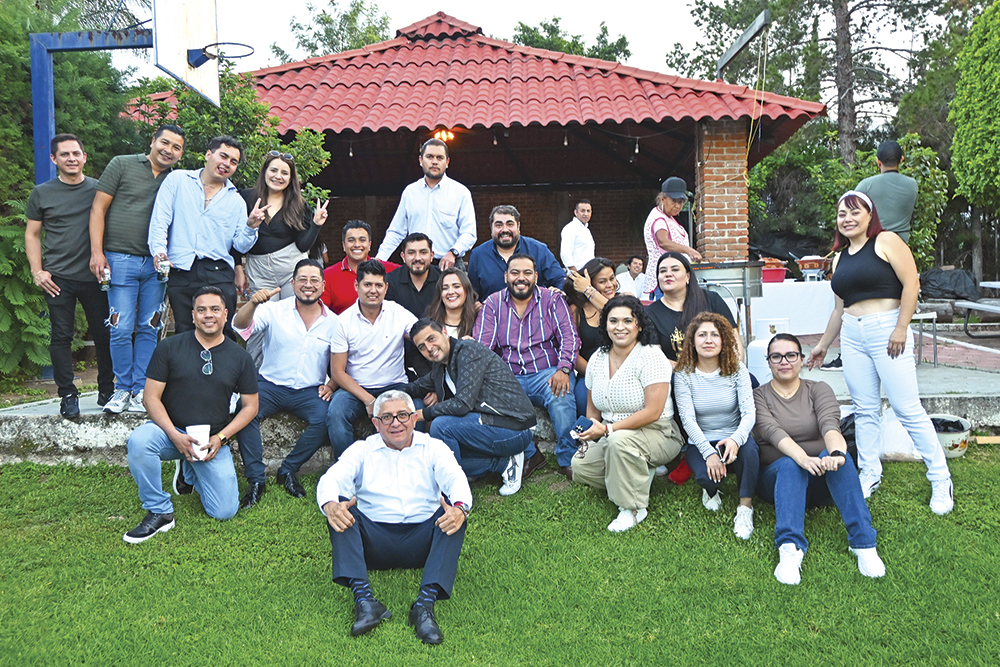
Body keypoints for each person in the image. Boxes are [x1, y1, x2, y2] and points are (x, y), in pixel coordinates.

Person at [806, 190, 953, 514]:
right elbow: (839, 309)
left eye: (854, 212)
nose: (847, 219)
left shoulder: (886, 241)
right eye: (842, 214)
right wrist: (823, 345)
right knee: (865, 409)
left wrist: (901, 327)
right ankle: (870, 473)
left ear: (870, 215)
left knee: (906, 407)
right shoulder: (839, 258)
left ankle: (940, 478)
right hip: (853, 334)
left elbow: (911, 284)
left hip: (887, 328)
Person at [318, 391, 470, 644]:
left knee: (454, 515)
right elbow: (332, 478)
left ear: (414, 419)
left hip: (423, 543)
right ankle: (365, 602)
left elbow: (456, 480)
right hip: (373, 543)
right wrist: (330, 504)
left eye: (402, 415)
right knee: (340, 510)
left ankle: (424, 606)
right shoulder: (362, 450)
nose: (396, 423)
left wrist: (460, 508)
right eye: (387, 417)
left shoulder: (434, 448)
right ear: (376, 423)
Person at [122, 287, 258, 543]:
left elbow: (251, 406)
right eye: (202, 310)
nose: (209, 315)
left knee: (224, 511)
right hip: (169, 432)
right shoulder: (169, 347)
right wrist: (174, 436)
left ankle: (189, 470)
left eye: (215, 309)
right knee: (140, 441)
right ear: (193, 315)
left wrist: (222, 438)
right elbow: (150, 398)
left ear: (225, 314)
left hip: (210, 439)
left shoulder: (240, 357)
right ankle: (159, 511)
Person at [755, 333, 884, 585]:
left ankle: (863, 543)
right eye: (776, 356)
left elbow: (830, 426)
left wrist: (836, 454)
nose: (784, 361)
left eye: (791, 355)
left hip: (821, 478)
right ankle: (790, 547)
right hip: (778, 482)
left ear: (802, 359)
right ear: (768, 362)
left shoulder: (818, 389)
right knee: (790, 463)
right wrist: (803, 459)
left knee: (839, 456)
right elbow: (772, 432)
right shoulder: (758, 396)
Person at [89, 124, 186, 415]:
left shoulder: (177, 180)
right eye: (165, 143)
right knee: (120, 326)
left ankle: (142, 390)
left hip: (157, 264)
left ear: (181, 154)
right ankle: (122, 389)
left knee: (149, 326)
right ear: (153, 141)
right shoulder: (122, 164)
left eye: (176, 147)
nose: (169, 150)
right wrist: (97, 252)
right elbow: (98, 208)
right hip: (120, 259)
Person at [571, 295, 684, 532]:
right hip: (613, 433)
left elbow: (653, 412)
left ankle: (632, 508)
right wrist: (590, 432)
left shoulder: (651, 356)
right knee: (580, 465)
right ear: (605, 325)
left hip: (658, 432)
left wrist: (608, 430)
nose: (619, 327)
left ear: (638, 325)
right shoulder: (597, 359)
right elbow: (593, 408)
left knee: (618, 442)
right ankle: (637, 472)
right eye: (613, 321)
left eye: (627, 321)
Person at [232, 259, 339, 508]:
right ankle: (256, 479)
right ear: (292, 283)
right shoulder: (274, 310)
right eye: (302, 279)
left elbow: (343, 361)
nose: (308, 285)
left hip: (309, 391)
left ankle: (288, 470)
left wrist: (332, 384)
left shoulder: (335, 322)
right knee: (245, 411)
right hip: (270, 386)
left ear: (323, 285)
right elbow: (239, 326)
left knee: (326, 418)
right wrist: (253, 303)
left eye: (314, 280)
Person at [25, 133, 114, 419]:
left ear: (84, 157)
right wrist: (37, 271)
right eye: (64, 154)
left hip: (95, 276)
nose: (71, 158)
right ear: (54, 159)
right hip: (58, 278)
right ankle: (67, 394)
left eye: (76, 153)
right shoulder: (42, 193)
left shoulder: (100, 190)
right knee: (61, 336)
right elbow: (32, 234)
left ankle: (107, 390)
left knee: (105, 335)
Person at [474, 254, 581, 479]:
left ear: (536, 276)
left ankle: (568, 457)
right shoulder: (492, 303)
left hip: (547, 373)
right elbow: (483, 347)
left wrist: (564, 369)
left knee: (562, 399)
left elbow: (569, 336)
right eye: (515, 273)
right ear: (506, 276)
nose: (521, 278)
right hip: (508, 376)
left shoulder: (552, 300)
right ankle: (531, 454)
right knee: (487, 403)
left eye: (527, 273)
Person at [403, 319, 536, 496]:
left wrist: (421, 414)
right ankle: (504, 463)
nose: (429, 347)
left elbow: (462, 404)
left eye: (431, 338)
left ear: (444, 332)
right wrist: (382, 397)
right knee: (434, 455)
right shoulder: (440, 366)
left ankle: (455, 492)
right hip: (487, 425)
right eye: (422, 347)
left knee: (441, 426)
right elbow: (418, 386)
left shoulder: (468, 351)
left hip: (514, 428)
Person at [148, 135, 262, 336]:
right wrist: (158, 252)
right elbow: (160, 221)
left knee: (223, 333)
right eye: (223, 156)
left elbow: (241, 246)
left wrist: (251, 227)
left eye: (233, 162)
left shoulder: (236, 201)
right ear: (209, 154)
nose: (227, 164)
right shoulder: (178, 180)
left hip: (218, 272)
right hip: (181, 269)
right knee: (185, 332)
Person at [673, 312, 759, 540]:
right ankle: (711, 489)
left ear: (724, 340)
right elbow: (688, 420)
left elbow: (749, 413)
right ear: (692, 341)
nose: (708, 340)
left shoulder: (737, 369)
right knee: (705, 477)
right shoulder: (683, 374)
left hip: (733, 437)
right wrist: (709, 453)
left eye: (715, 335)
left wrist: (736, 440)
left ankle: (745, 507)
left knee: (751, 453)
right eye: (702, 335)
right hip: (702, 440)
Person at [326, 260, 421, 457]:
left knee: (417, 409)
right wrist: (370, 401)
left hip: (395, 385)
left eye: (378, 285)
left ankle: (410, 463)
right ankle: (349, 467)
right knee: (336, 413)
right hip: (356, 389)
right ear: (357, 286)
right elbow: (337, 371)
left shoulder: (397, 312)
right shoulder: (343, 321)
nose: (373, 290)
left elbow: (421, 333)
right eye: (367, 284)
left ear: (386, 288)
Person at [234, 150, 330, 300]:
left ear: (290, 178)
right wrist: (238, 267)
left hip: (291, 267)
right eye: (273, 170)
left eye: (285, 173)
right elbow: (234, 236)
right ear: (265, 172)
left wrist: (316, 224)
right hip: (260, 270)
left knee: (293, 312)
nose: (278, 176)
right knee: (264, 312)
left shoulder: (298, 204)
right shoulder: (245, 198)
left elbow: (303, 245)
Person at [376, 139, 476, 270]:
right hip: (416, 265)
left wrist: (453, 252)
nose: (434, 161)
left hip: (449, 265)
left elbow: (469, 233)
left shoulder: (461, 193)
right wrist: (379, 260)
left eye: (440, 158)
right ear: (420, 160)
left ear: (447, 162)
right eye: (429, 157)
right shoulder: (410, 192)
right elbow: (396, 231)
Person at [645, 252, 742, 364]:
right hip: (674, 373)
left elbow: (734, 343)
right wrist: (693, 372)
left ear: (688, 276)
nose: (668, 274)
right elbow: (656, 359)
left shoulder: (711, 300)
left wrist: (732, 368)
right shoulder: (650, 313)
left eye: (675, 269)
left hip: (718, 371)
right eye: (662, 271)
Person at [466, 204, 564, 299]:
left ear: (518, 226)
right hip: (493, 310)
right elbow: (473, 292)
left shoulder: (539, 250)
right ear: (491, 228)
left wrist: (558, 293)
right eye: (499, 225)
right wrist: (476, 303)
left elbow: (560, 280)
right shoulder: (478, 255)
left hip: (535, 309)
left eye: (510, 224)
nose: (505, 230)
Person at [564, 257, 619, 416]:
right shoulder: (576, 310)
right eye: (602, 281)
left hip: (622, 371)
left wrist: (588, 290)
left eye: (612, 278)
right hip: (590, 372)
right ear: (591, 283)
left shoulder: (624, 301)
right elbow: (572, 350)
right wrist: (593, 374)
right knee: (582, 399)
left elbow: (617, 314)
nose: (610, 285)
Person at [386, 233, 441, 379]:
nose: (418, 258)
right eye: (411, 253)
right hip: (401, 349)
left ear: (432, 255)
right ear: (403, 257)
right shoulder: (390, 282)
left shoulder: (444, 280)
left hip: (437, 347)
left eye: (423, 252)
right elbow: (387, 320)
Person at [321, 220, 398, 315]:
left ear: (369, 245)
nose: (357, 245)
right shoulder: (328, 275)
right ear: (344, 245)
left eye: (362, 240)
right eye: (351, 240)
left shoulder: (388, 269)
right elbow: (322, 313)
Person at [642, 178, 702, 298]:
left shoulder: (668, 217)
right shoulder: (659, 218)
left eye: (681, 202)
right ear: (663, 199)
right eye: (674, 201)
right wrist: (689, 250)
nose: (677, 206)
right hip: (664, 279)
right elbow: (663, 242)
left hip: (673, 278)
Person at [856, 140, 918, 244]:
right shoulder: (912, 184)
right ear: (901, 160)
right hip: (901, 244)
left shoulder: (865, 185)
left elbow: (853, 213)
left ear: (878, 161)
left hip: (874, 244)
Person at [424, 267, 479, 339]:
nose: (450, 292)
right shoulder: (429, 318)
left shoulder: (479, 319)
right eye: (445, 288)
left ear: (467, 290)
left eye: (456, 286)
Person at [560, 199, 595, 271]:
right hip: (578, 273)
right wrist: (576, 273)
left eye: (588, 211)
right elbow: (565, 254)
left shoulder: (586, 230)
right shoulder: (570, 228)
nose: (586, 214)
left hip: (589, 272)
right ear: (576, 212)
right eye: (582, 211)